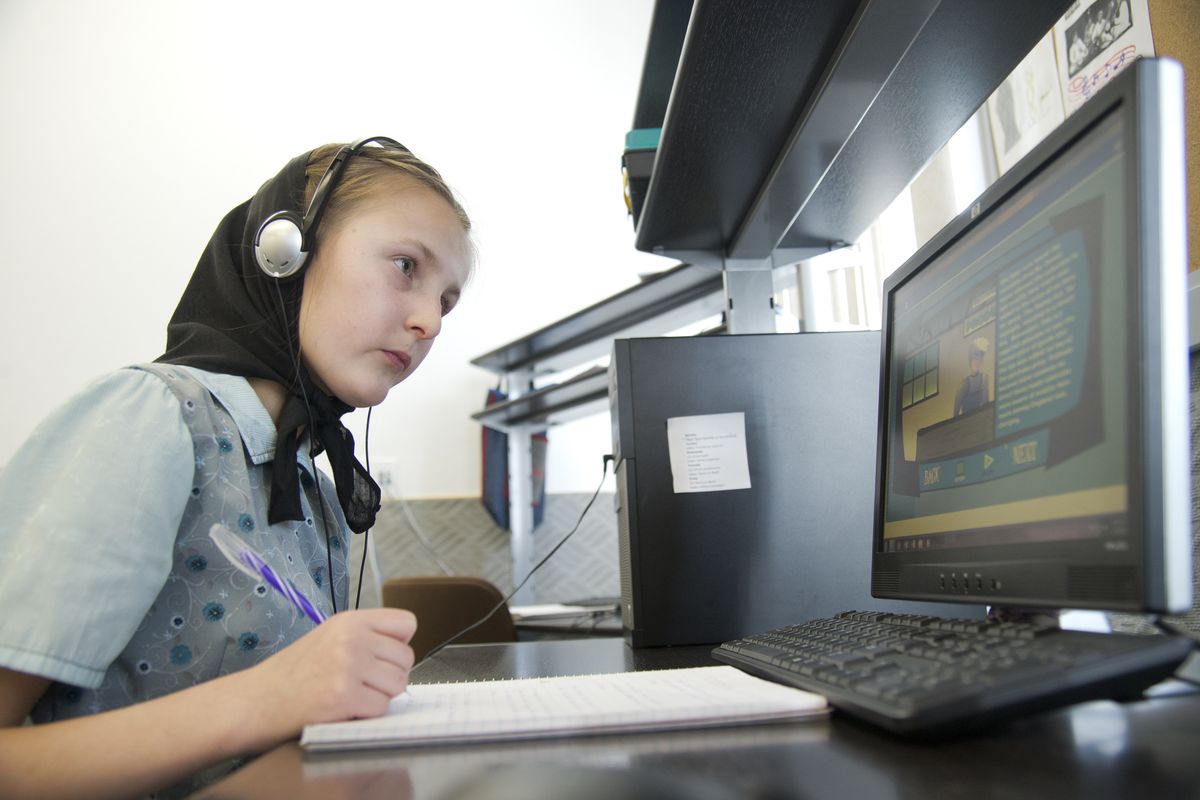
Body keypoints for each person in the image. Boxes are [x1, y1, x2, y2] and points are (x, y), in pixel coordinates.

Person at [0, 137, 474, 798]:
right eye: (404, 265)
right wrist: (269, 699)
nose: (429, 321)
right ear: (285, 255)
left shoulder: (316, 484)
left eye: (447, 302)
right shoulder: (154, 420)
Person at [954, 337, 991, 416]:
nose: (977, 360)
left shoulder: (984, 378)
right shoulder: (964, 383)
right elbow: (956, 413)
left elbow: (985, 403)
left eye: (980, 357)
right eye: (974, 357)